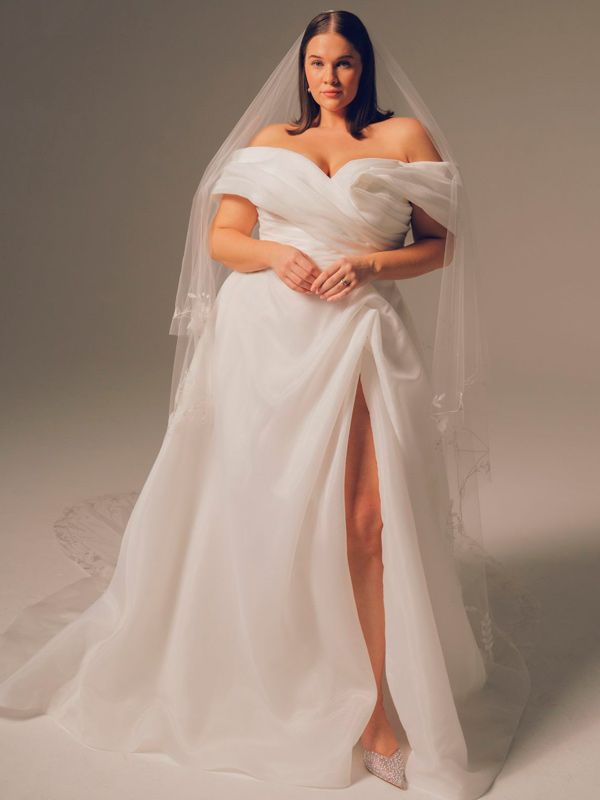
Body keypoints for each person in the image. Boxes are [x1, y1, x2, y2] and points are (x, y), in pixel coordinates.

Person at [0, 10, 533, 799]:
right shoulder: (270, 142)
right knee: (264, 515)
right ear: (302, 68)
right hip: (263, 345)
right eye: (317, 62)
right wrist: (276, 253)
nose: (329, 76)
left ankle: (378, 716)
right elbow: (225, 239)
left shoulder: (403, 137)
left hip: (359, 338)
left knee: (366, 524)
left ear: (364, 66)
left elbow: (441, 243)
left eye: (343, 62)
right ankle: (282, 675)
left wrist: (370, 263)